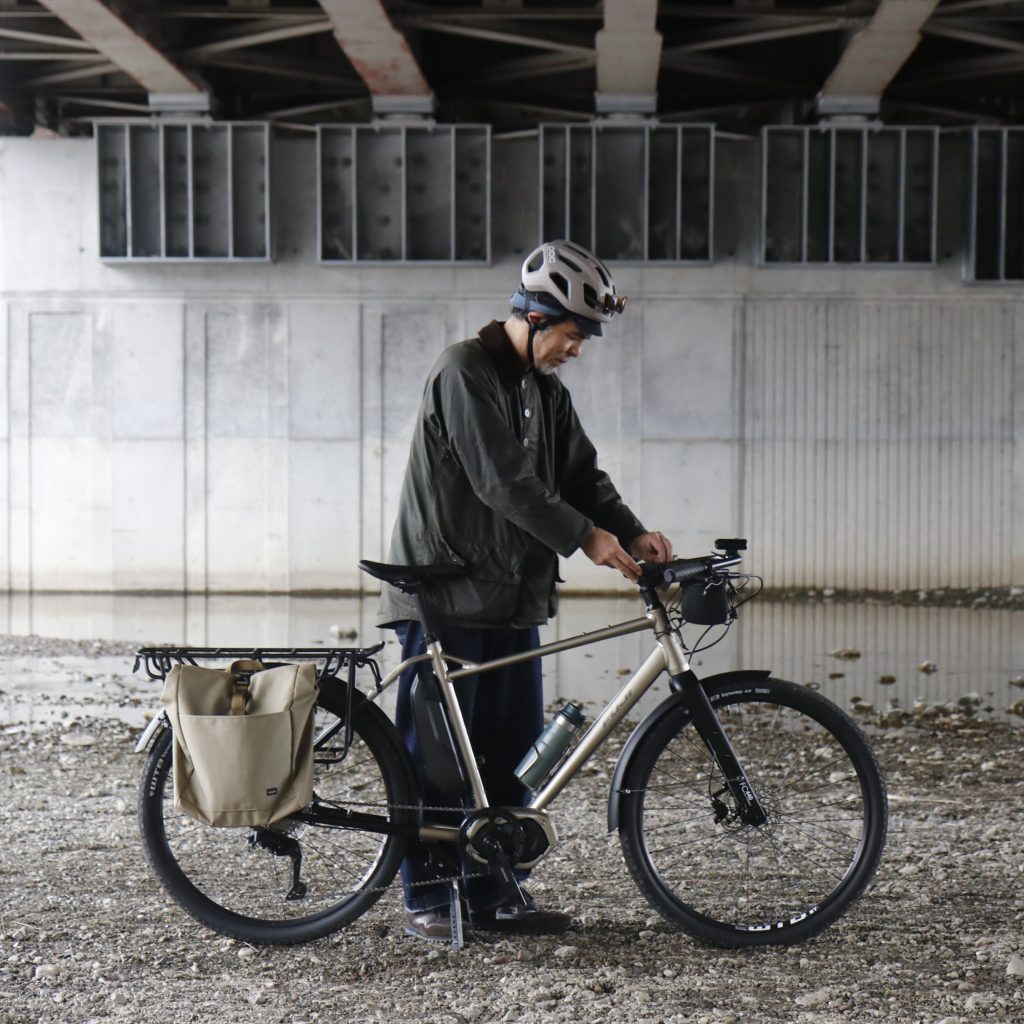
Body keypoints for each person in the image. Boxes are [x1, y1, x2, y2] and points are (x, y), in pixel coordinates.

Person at [378, 239, 672, 941]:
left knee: (509, 754)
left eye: (583, 339)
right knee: (439, 757)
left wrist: (630, 532)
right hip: (446, 593)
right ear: (535, 318)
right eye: (573, 334)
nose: (576, 350)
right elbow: (501, 481)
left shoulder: (545, 392)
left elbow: (582, 477)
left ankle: (494, 892)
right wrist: (585, 538)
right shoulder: (464, 371)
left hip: (510, 595)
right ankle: (428, 897)